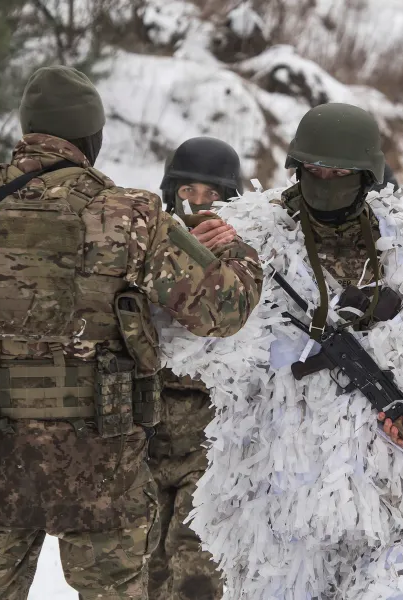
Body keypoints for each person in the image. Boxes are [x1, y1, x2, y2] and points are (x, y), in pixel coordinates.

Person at [0, 65, 263, 600]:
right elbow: (223, 312)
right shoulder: (135, 214)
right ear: (93, 138)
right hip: (107, 476)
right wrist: (234, 249)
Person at [157, 103, 403, 599]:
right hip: (277, 490)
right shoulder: (251, 231)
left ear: (365, 175)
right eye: (314, 170)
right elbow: (190, 343)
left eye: (338, 172)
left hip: (393, 489)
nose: (325, 180)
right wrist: (211, 263)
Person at [148, 137, 244, 600]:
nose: (200, 204)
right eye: (189, 192)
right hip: (144, 428)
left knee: (197, 570)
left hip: (210, 435)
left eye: (213, 195)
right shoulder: (144, 239)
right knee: (144, 566)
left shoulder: (247, 253)